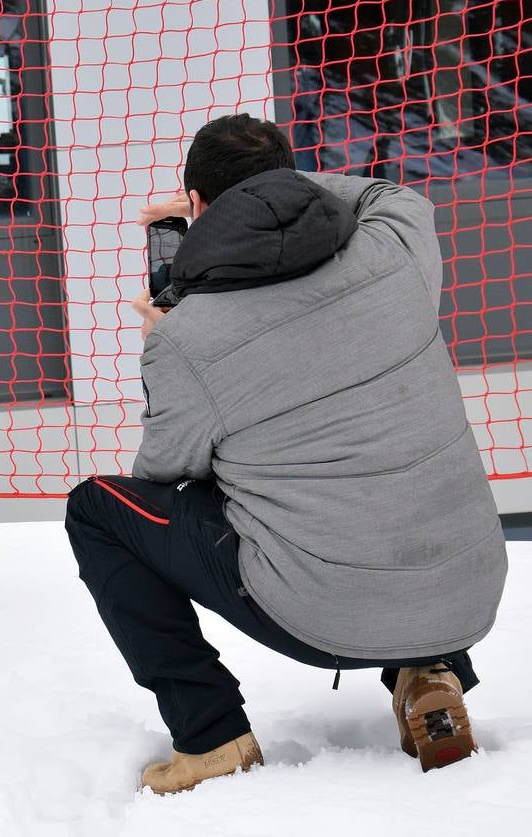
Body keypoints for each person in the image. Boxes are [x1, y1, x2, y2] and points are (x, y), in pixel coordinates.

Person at [64, 114, 507, 794]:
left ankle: (212, 738)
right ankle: (431, 675)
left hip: (323, 615)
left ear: (197, 205)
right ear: (292, 180)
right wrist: (270, 188)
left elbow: (165, 477)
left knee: (100, 511)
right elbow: (391, 195)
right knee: (380, 446)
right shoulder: (398, 246)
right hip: (465, 593)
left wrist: (167, 353)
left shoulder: (190, 337)